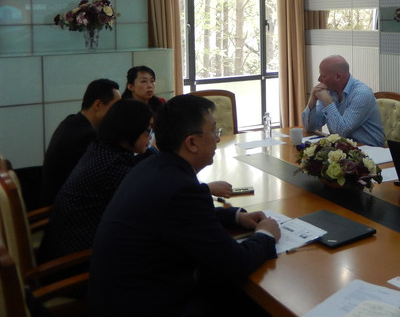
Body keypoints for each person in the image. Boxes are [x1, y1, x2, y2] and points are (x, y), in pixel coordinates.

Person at [88, 94, 280, 316]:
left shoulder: (152, 165)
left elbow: (185, 216)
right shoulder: (180, 188)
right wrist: (266, 235)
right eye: (214, 131)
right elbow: (235, 263)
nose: (218, 139)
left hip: (117, 297)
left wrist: (236, 217)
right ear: (191, 142)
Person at [38, 99, 156, 263]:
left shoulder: (101, 149)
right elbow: (146, 206)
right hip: (74, 262)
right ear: (131, 128)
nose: (150, 136)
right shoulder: (114, 166)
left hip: (60, 245)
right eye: (148, 130)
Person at [40, 78, 121, 207]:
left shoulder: (71, 121)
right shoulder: (86, 137)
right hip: (65, 210)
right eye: (116, 108)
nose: (118, 114)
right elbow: (104, 177)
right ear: (98, 105)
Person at [302, 55, 385, 147]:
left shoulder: (361, 94)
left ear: (338, 76)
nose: (319, 79)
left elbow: (341, 131)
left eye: (323, 76)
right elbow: (310, 127)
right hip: (342, 147)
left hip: (369, 149)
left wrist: (328, 102)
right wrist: (312, 101)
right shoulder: (329, 91)